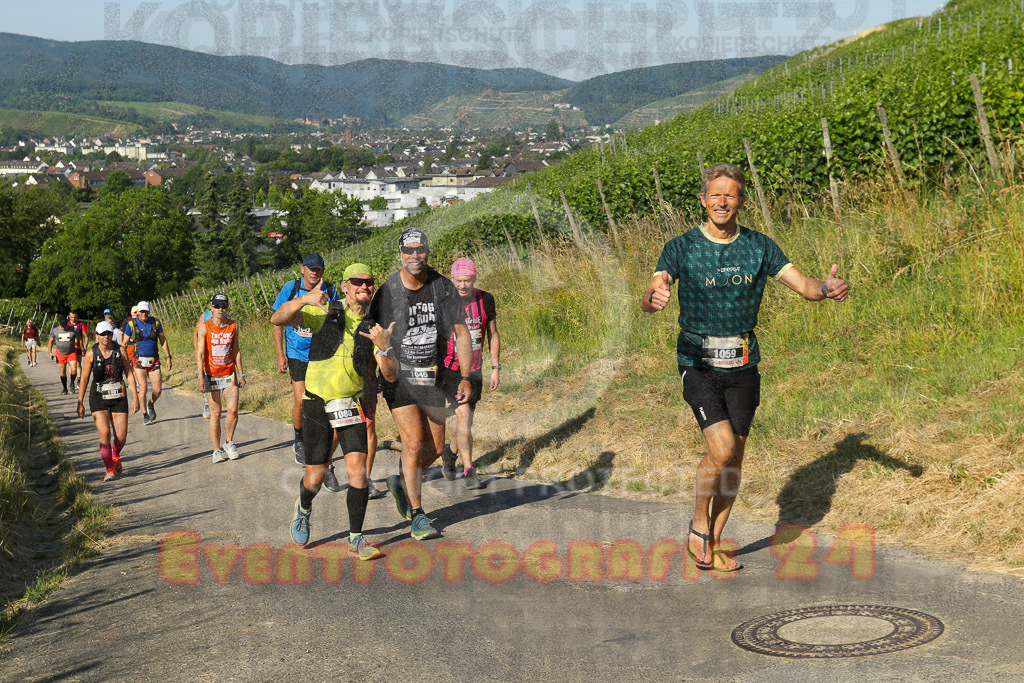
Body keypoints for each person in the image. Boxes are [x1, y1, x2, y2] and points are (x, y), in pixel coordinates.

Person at [641, 163, 849, 572]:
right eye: (715, 195)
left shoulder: (760, 246)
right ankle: (699, 525)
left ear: (741, 201)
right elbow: (651, 292)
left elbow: (805, 286)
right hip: (696, 361)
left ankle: (715, 544)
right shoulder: (680, 247)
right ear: (703, 201)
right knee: (719, 448)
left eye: (730, 195)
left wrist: (825, 289)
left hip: (743, 364)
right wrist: (654, 296)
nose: (722, 202)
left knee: (734, 459)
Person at [271, 263, 387, 559]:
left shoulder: (373, 325)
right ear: (345, 286)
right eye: (357, 281)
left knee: (358, 474)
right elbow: (278, 318)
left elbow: (390, 374)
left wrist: (384, 349)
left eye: (368, 282)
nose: (364, 286)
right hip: (317, 403)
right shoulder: (327, 311)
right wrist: (303, 300)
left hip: (350, 404)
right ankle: (304, 506)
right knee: (315, 478)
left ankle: (356, 539)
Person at [368, 228, 473, 540]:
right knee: (413, 442)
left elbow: (462, 332)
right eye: (409, 250)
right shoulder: (388, 291)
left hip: (432, 376)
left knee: (436, 448)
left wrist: (465, 375)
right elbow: (371, 334)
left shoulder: (442, 287)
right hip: (398, 376)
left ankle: (402, 480)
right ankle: (418, 515)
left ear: (428, 251)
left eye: (420, 249)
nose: (415, 255)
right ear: (400, 253)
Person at [272, 254, 339, 466]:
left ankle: (321, 445)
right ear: (302, 269)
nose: (314, 272)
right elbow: (277, 321)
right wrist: (279, 354)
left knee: (323, 402)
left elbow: (337, 320)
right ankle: (299, 439)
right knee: (301, 400)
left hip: (321, 354)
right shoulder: (291, 288)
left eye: (318, 269)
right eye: (310, 268)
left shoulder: (329, 290)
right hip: (297, 353)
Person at [440, 257, 500, 490]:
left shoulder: (485, 299)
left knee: (465, 422)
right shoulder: (444, 302)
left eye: (467, 281)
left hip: (475, 369)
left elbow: (493, 334)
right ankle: (469, 470)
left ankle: (450, 452)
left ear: (475, 279)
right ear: (452, 279)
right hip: (451, 369)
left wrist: (495, 368)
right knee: (463, 416)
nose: (463, 286)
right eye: (458, 281)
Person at [76, 321, 140, 481]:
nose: (106, 337)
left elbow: (129, 374)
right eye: (103, 334)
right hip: (98, 398)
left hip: (119, 397)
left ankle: (115, 455)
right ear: (96, 336)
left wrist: (136, 397)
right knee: (105, 434)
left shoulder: (121, 351)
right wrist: (80, 402)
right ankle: (109, 469)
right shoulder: (92, 354)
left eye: (109, 333)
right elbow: (84, 379)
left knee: (121, 436)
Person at [195, 294, 246, 462]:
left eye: (223, 306)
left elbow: (236, 350)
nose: (220, 309)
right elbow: (200, 353)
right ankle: (216, 450)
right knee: (216, 413)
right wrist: (200, 376)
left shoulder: (233, 326)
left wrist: (241, 373)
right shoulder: (205, 327)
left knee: (232, 410)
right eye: (217, 306)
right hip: (211, 375)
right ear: (211, 307)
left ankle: (229, 442)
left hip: (229, 373)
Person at [120, 301, 172, 426]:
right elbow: (124, 343)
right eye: (141, 311)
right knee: (143, 389)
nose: (143, 314)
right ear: (137, 312)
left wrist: (168, 357)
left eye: (146, 311)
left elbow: (163, 340)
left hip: (154, 361)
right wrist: (124, 360)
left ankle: (151, 403)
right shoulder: (131, 325)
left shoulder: (156, 323)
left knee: (158, 390)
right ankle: (145, 414)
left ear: (149, 311)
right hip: (138, 361)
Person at [47, 316, 81, 395]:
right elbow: (50, 341)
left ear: (67, 323)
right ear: (59, 324)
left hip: (72, 352)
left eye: (65, 325)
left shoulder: (73, 329)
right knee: (62, 371)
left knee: (74, 369)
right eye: (62, 326)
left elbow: (79, 339)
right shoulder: (55, 331)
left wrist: (81, 349)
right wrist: (50, 352)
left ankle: (72, 383)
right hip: (60, 353)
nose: (64, 327)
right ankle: (65, 388)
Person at [194, 299, 215, 419]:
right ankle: (207, 403)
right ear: (210, 306)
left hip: (218, 352)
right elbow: (196, 333)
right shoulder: (204, 316)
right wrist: (197, 348)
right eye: (214, 305)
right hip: (205, 352)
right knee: (206, 376)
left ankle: (214, 402)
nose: (217, 308)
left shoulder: (226, 316)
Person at [67, 309, 89, 389]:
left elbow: (86, 337)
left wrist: (85, 348)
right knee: (71, 364)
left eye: (75, 317)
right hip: (69, 348)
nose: (73, 319)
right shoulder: (67, 324)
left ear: (77, 317)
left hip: (79, 347)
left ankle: (79, 380)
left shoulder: (81, 325)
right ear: (69, 316)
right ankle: (71, 380)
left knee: (78, 364)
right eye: (72, 317)